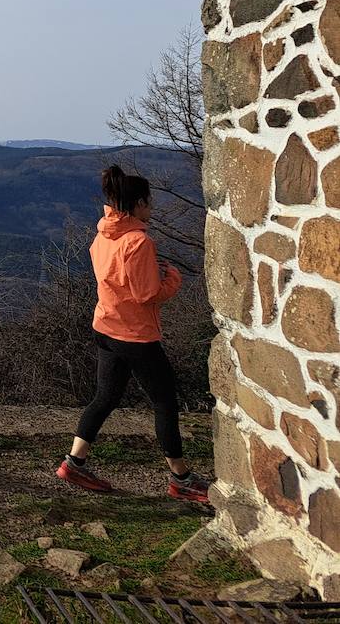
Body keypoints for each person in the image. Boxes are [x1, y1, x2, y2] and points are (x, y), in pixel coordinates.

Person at [55, 165, 210, 503]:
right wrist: (172, 280)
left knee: (105, 397)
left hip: (106, 326)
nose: (151, 208)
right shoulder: (138, 242)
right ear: (138, 204)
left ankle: (74, 462)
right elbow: (145, 294)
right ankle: (181, 478)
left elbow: (118, 281)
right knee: (165, 402)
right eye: (149, 202)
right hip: (136, 335)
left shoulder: (102, 235)